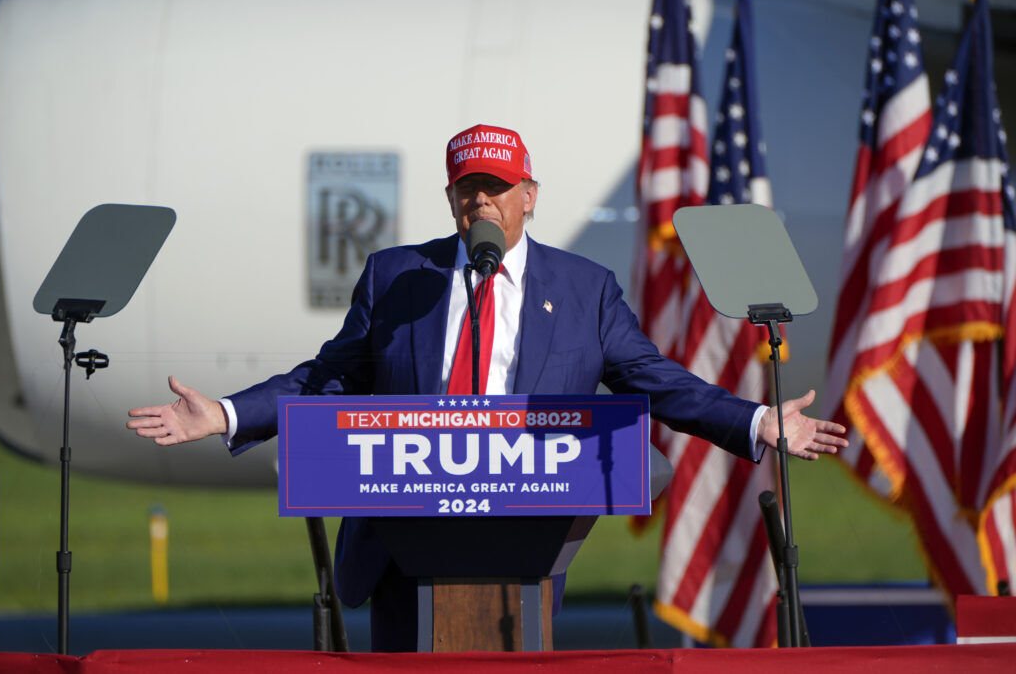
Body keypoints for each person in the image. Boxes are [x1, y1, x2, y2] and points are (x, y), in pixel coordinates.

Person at [128, 123, 847, 651]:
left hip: (522, 556)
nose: (482, 204)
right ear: (450, 199)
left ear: (529, 197)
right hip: (401, 552)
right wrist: (225, 413)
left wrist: (755, 422)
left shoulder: (583, 290)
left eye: (497, 189)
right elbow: (326, 378)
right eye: (468, 189)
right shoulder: (396, 278)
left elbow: (654, 380)